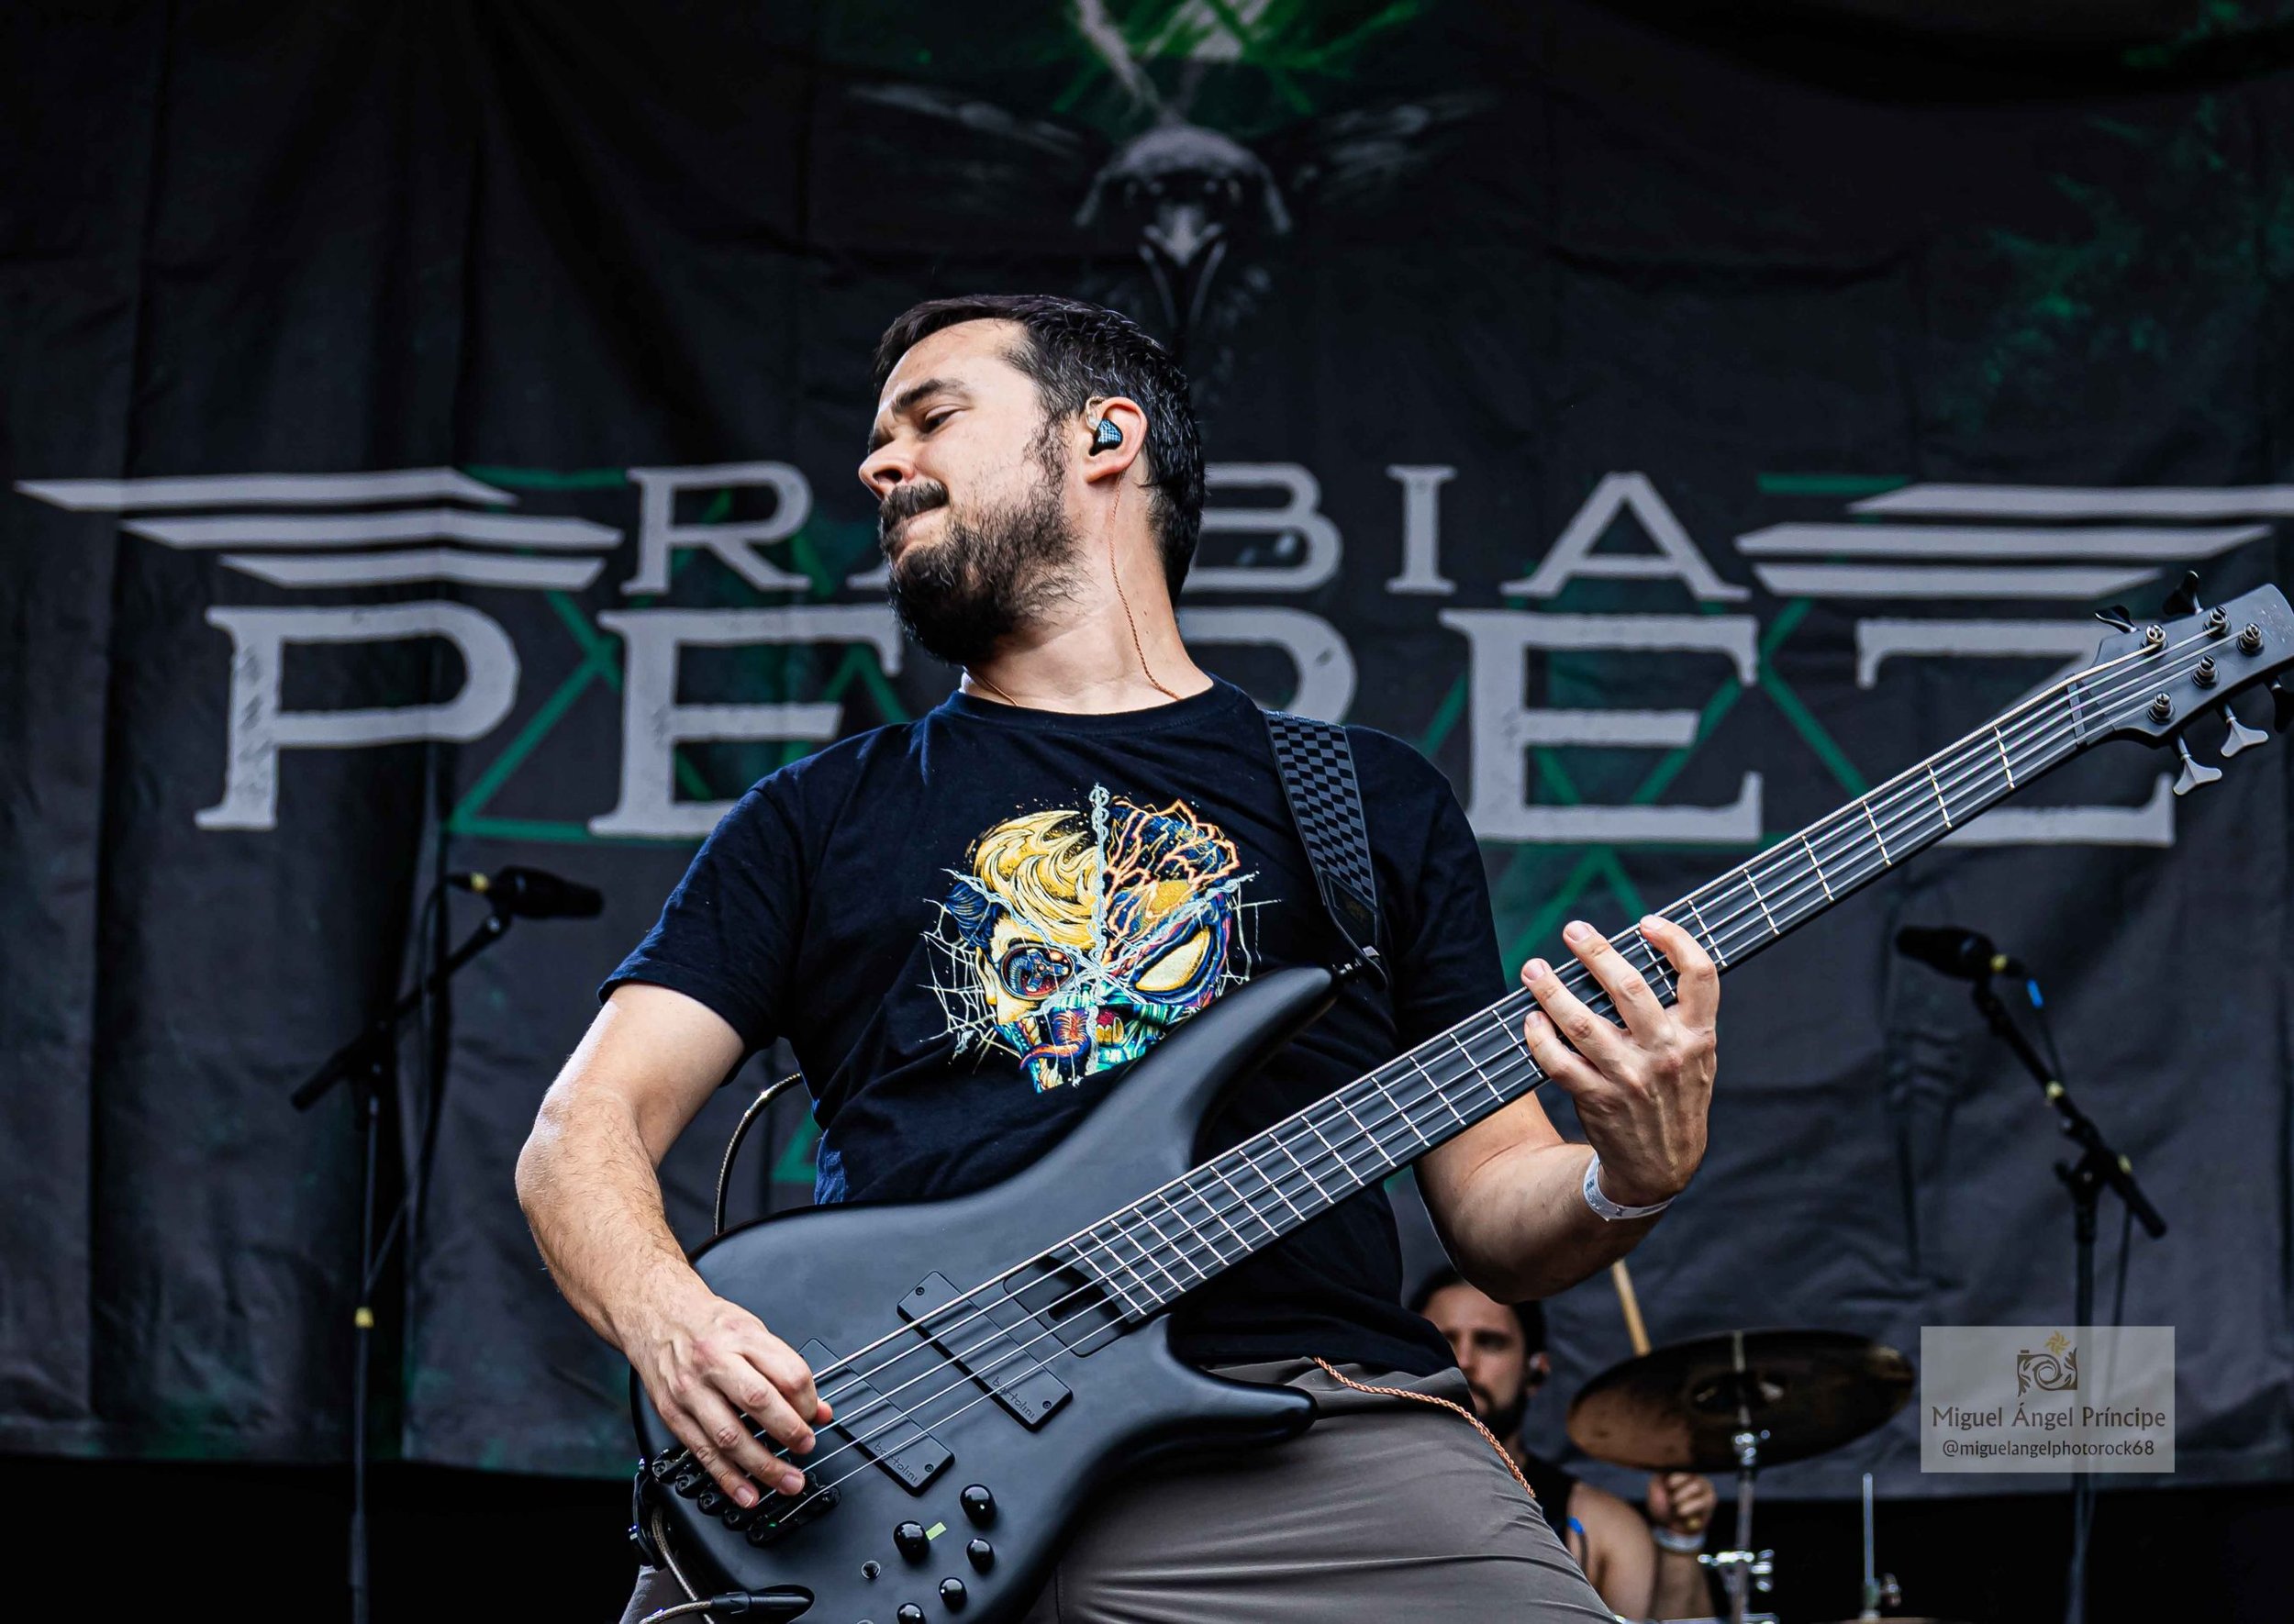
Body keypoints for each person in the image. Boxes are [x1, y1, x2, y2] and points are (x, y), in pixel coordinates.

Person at [515, 293, 1720, 1623]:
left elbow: (1494, 1198)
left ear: (1105, 435)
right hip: (877, 1474)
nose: (877, 464)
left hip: (1304, 1437)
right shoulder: (819, 813)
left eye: (931, 417)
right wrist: (666, 1314)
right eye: (878, 436)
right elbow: (583, 1128)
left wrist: (1628, 1175)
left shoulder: (1362, 799)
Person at [1414, 1268, 1720, 1620]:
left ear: (1537, 1371)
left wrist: (1680, 1542)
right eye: (1442, 1341)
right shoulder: (1361, 1498)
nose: (1463, 1361)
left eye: (1490, 1342)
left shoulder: (1598, 1526)